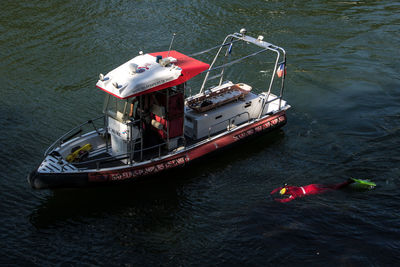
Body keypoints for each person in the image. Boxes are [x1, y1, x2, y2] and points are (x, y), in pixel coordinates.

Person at [270, 179, 355, 203]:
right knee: (332, 186)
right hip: (312, 185)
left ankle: (347, 183)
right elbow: (280, 187)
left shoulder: (293, 195)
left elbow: (285, 200)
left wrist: (276, 200)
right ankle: (345, 181)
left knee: (334, 189)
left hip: (312, 191)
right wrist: (272, 192)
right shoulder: (290, 187)